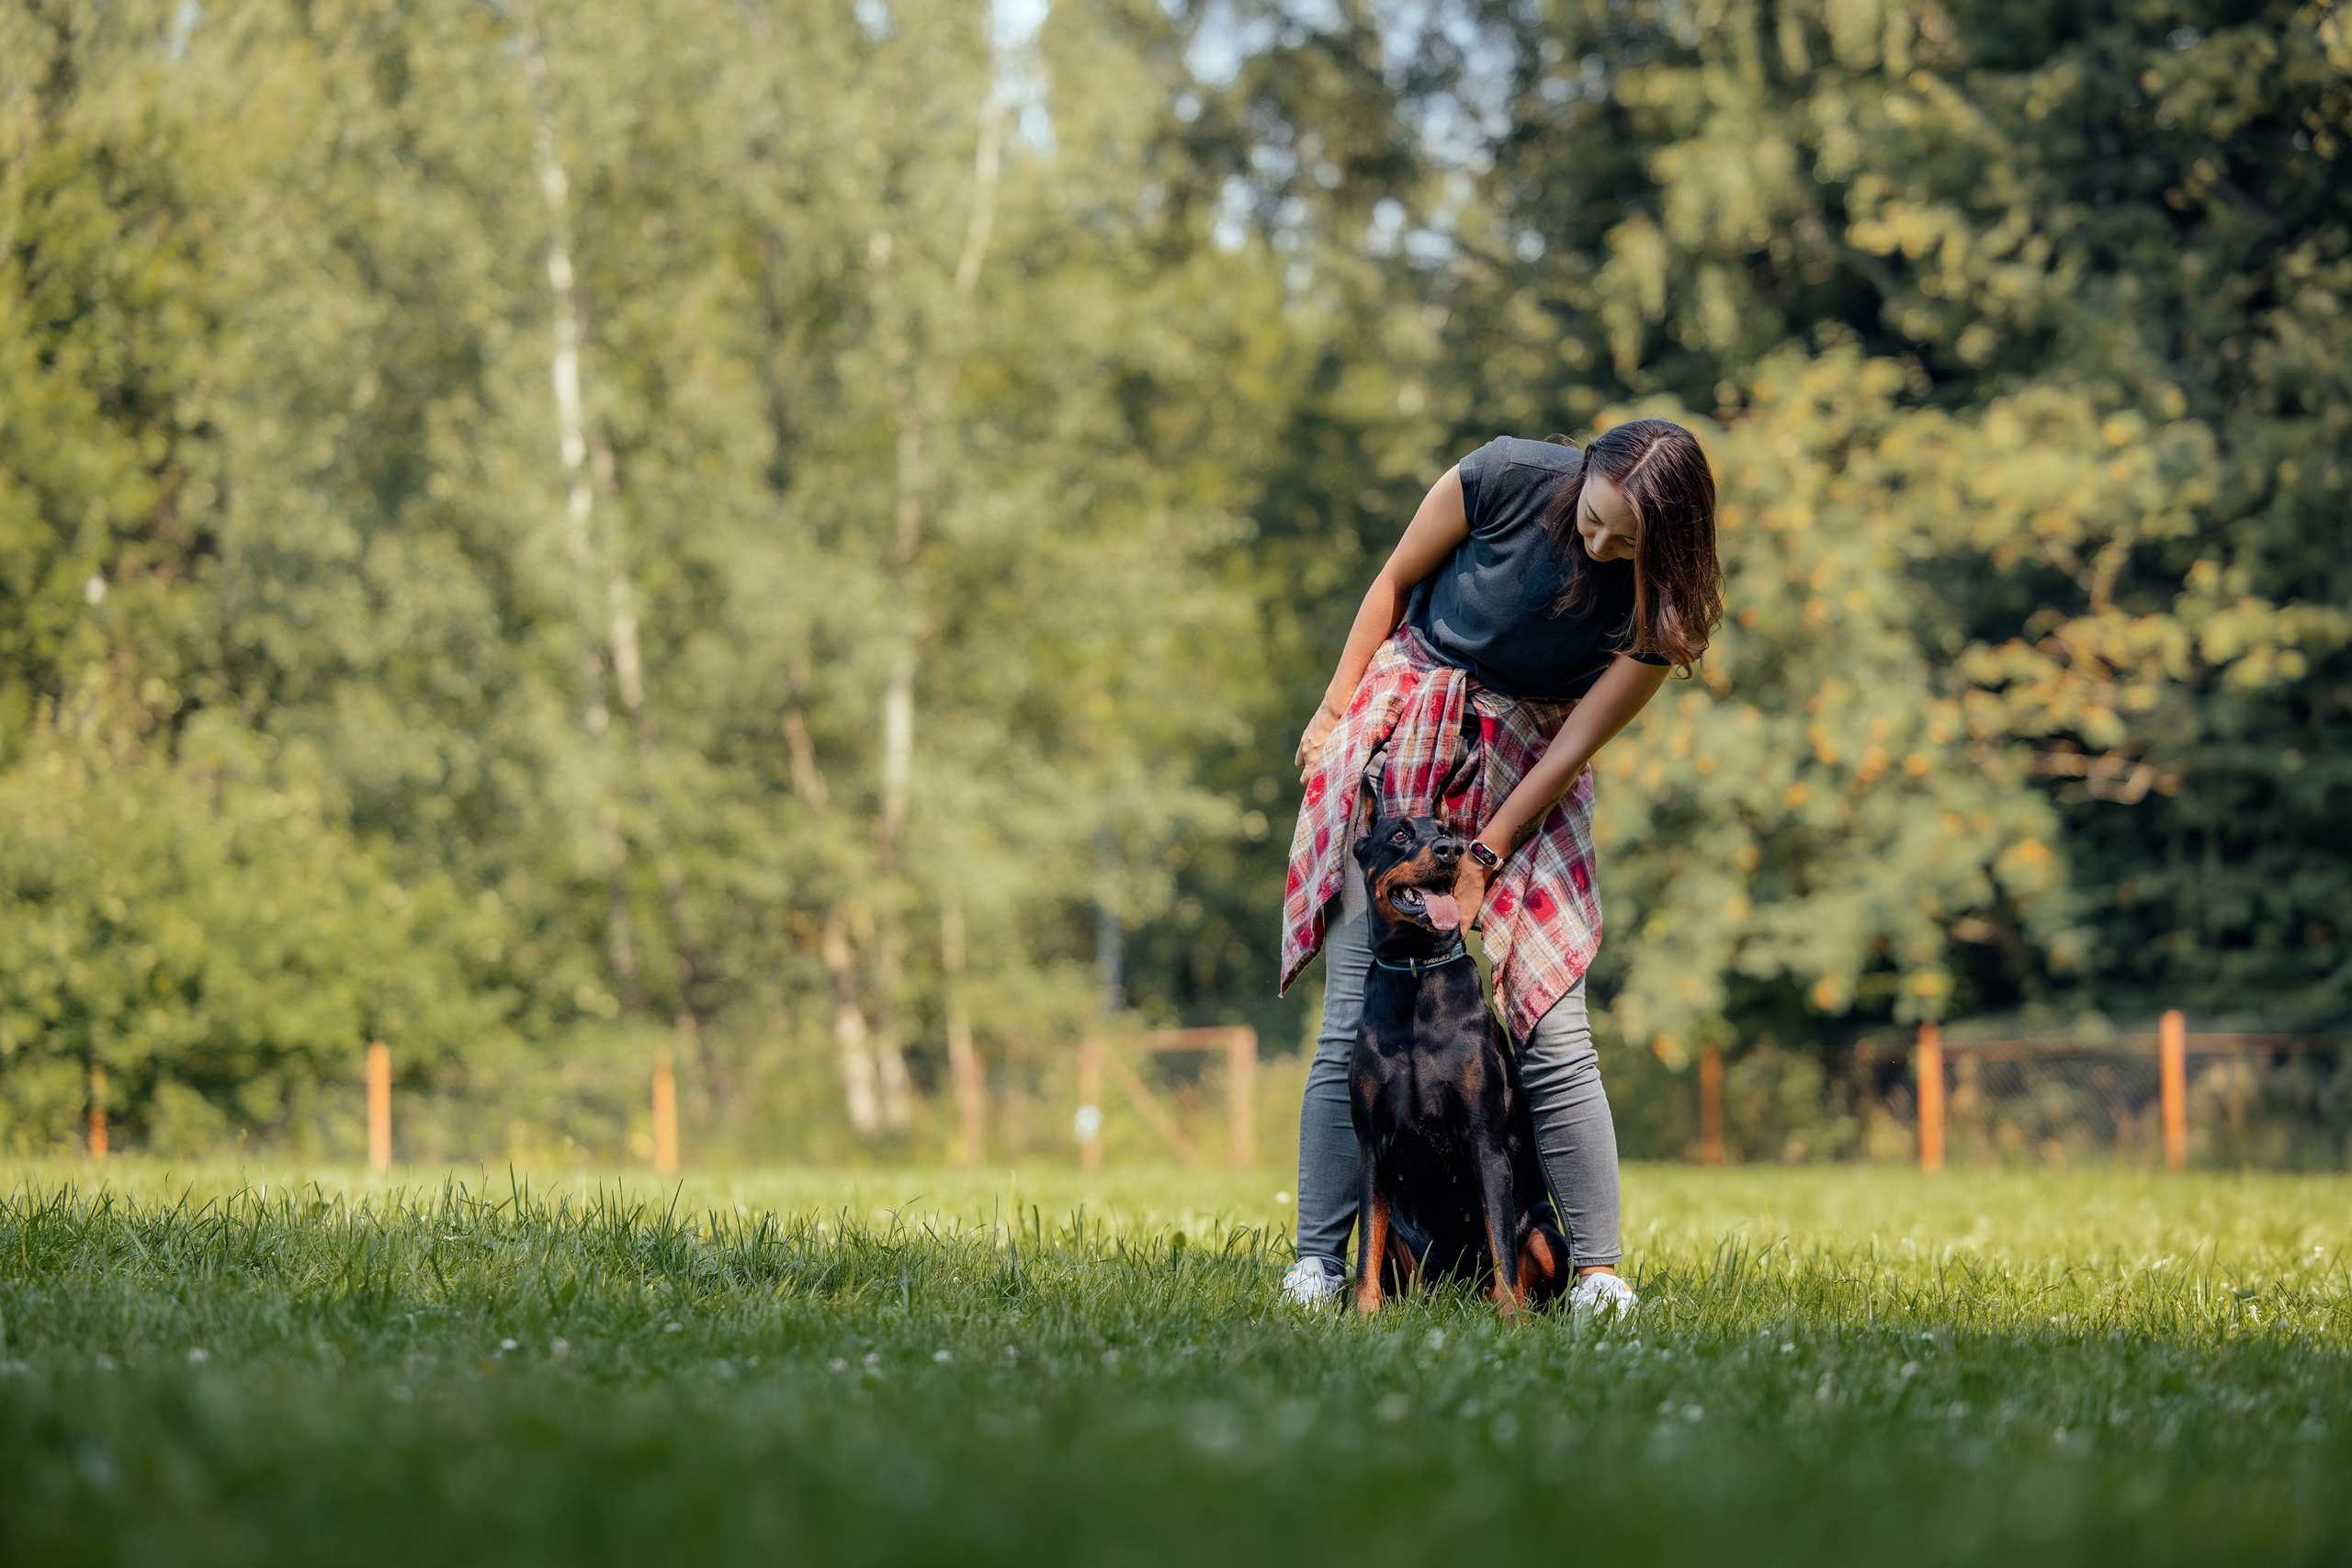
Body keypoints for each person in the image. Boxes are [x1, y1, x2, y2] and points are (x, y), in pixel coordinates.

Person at [1276, 418, 1724, 1311]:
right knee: (1356, 1016)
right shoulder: (1504, 474)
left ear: (1666, 544)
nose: (1599, 547)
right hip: (1412, 714)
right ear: (1584, 469)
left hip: (1530, 761)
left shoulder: (1661, 611)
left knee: (1552, 1027)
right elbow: (1395, 580)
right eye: (1594, 522)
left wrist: (1490, 848)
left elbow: (1579, 741)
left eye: (1624, 542)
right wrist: (1333, 711)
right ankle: (1319, 1264)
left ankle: (1596, 1274)